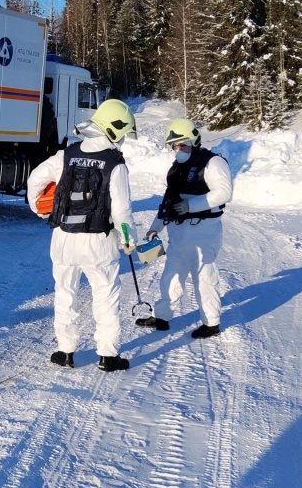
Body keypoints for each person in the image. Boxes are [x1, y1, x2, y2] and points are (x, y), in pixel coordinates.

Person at [27, 99, 138, 371]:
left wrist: (39, 209)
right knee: (105, 297)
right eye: (123, 133)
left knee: (65, 294)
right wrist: (128, 239)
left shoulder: (67, 154)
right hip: (99, 243)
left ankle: (65, 351)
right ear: (115, 129)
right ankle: (107, 355)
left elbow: (35, 180)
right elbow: (122, 210)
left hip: (64, 239)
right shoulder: (115, 164)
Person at [138, 117, 232, 338]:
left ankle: (211, 323)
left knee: (204, 276)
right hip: (179, 233)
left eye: (181, 144)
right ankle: (162, 317)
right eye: (174, 146)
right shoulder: (176, 168)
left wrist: (191, 205)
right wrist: (155, 227)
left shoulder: (213, 162)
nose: (177, 150)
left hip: (204, 230)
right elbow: (168, 200)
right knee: (170, 275)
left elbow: (224, 193)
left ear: (194, 140)